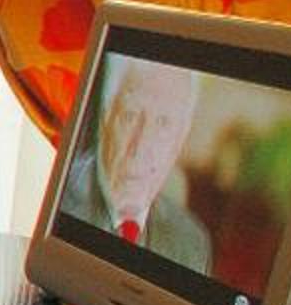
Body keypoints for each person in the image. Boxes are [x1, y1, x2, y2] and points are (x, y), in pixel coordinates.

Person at [58, 55, 213, 271]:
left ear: (180, 140)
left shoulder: (191, 244)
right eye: (129, 117)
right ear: (106, 118)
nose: (140, 148)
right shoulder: (61, 198)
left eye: (163, 123)